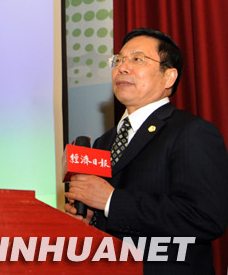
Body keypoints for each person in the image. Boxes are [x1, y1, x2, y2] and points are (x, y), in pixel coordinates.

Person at [64, 28, 228, 274]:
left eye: (137, 59)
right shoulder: (103, 142)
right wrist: (90, 219)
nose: (122, 67)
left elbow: (205, 217)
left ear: (169, 77)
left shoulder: (192, 132)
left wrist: (110, 201)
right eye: (118, 59)